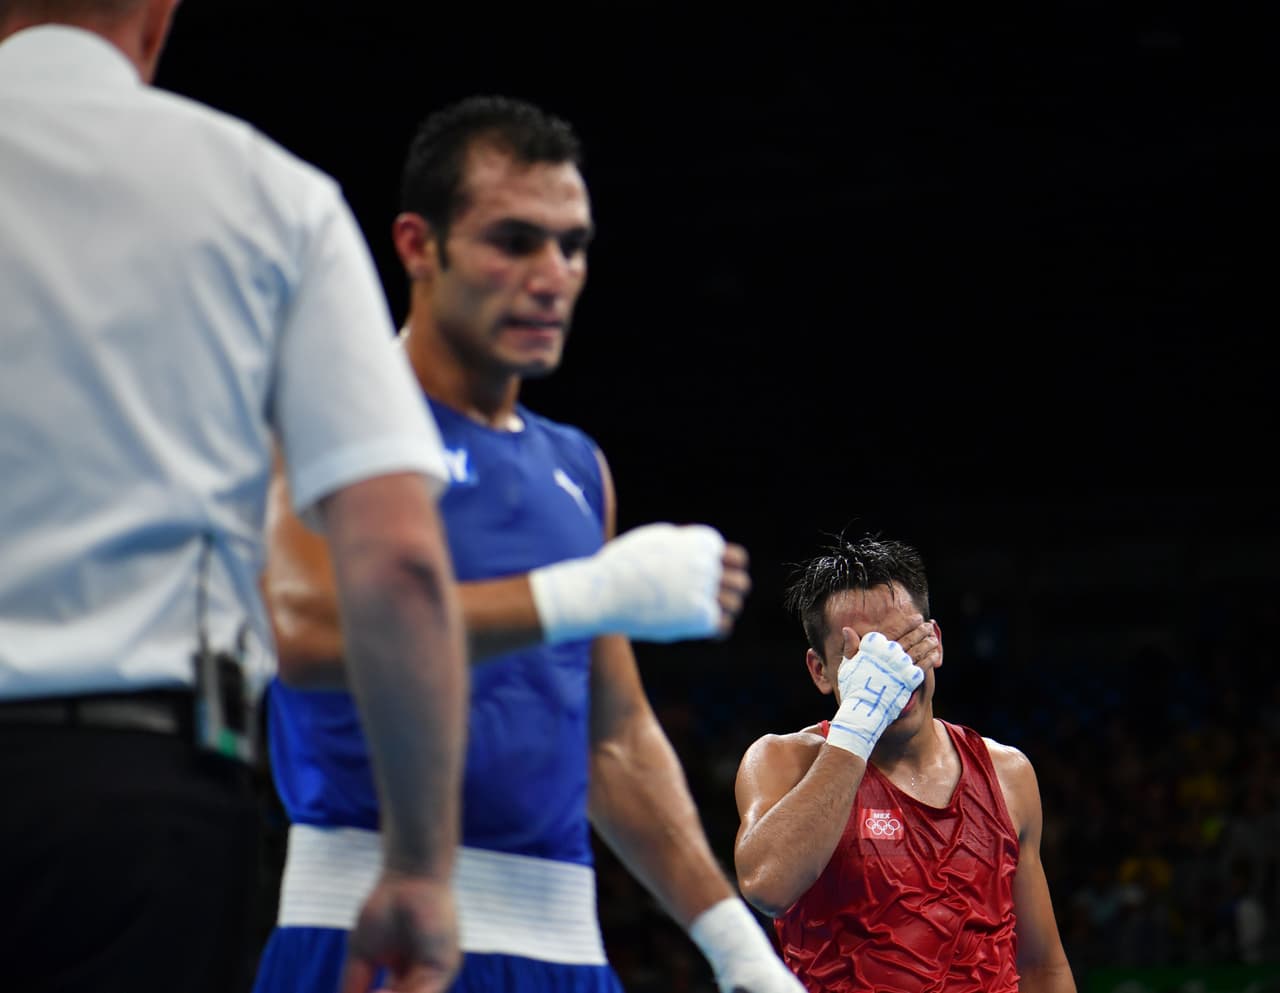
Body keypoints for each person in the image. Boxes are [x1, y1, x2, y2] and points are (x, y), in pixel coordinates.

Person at [251, 95, 804, 993]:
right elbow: (303, 636)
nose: (551, 274)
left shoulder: (576, 466)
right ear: (417, 246)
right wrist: (585, 593)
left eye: (572, 245)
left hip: (564, 949)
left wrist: (736, 948)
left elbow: (614, 737)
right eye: (513, 241)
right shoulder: (328, 415)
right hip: (369, 936)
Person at [0, 3, 469, 991]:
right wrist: (420, 868)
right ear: (158, 17)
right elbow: (397, 562)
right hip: (133, 813)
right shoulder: (268, 197)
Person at [733, 535, 1077, 992]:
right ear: (820, 670)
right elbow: (766, 887)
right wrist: (861, 720)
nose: (891, 671)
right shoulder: (785, 760)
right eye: (864, 656)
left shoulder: (1007, 774)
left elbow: (1041, 967)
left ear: (934, 640)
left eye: (903, 643)